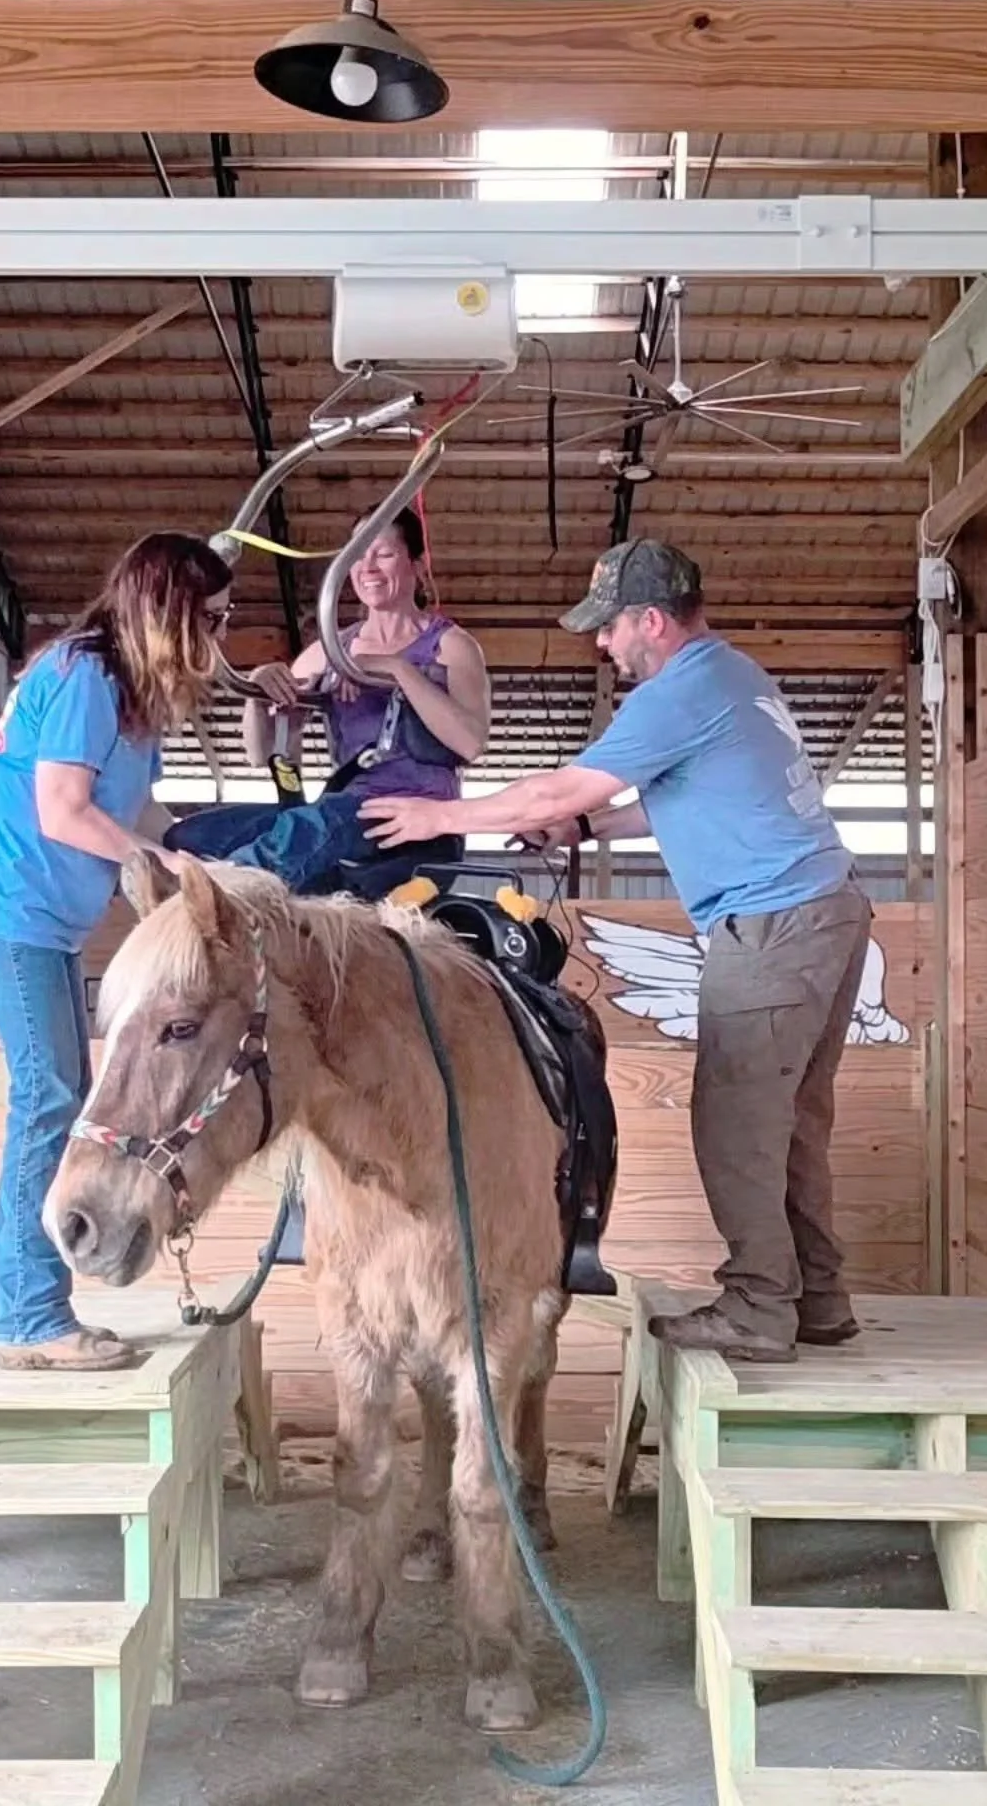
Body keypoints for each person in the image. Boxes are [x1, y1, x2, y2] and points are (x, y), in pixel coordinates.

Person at [360, 538, 872, 1365]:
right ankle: (816, 1297)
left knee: (737, 1121)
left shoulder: (676, 692)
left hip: (773, 923)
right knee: (792, 1125)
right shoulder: (732, 675)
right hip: (827, 912)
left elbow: (559, 788)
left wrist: (437, 819)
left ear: (653, 622)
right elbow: (678, 798)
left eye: (610, 628)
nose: (602, 644)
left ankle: (757, 1308)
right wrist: (591, 825)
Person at [0, 531, 234, 1371]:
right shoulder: (84, 674)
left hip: (44, 917)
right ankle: (30, 1315)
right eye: (208, 615)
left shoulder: (130, 691)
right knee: (50, 1094)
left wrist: (195, 852)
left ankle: (11, 1306)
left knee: (55, 1094)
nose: (217, 631)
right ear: (168, 611)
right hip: (11, 904)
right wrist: (162, 863)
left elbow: (132, 810)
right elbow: (63, 810)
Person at [164, 506, 490, 896]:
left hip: (418, 822)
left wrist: (397, 669)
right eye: (357, 554)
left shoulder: (451, 646)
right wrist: (260, 689)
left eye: (383, 554)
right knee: (193, 835)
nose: (367, 566)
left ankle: (230, 892)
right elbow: (259, 751)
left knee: (322, 823)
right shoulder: (331, 651)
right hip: (346, 813)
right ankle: (194, 888)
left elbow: (471, 742)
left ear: (418, 565)